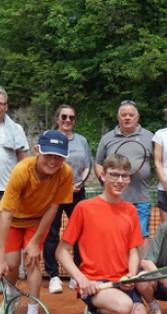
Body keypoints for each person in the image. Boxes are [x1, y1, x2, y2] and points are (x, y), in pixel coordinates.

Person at [0, 130, 73, 314]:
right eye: (48, 155)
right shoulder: (21, 171)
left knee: (33, 262)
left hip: (37, 222)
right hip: (13, 220)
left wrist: (35, 242)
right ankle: (11, 297)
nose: (53, 161)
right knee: (11, 264)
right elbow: (5, 213)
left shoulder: (65, 173)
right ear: (37, 151)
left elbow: (53, 208)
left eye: (59, 157)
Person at [56, 154, 149, 314]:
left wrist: (131, 274)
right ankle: (95, 310)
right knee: (123, 307)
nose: (119, 180)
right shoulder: (84, 208)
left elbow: (133, 250)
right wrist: (82, 280)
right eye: (114, 175)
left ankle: (117, 312)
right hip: (94, 284)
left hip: (122, 282)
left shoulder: (131, 210)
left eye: (124, 176)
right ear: (103, 176)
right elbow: (61, 251)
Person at [42, 105, 93, 294]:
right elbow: (44, 163)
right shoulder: (49, 137)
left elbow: (88, 165)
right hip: (52, 193)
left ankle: (76, 273)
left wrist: (80, 182)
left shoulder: (82, 140)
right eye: (64, 116)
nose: (68, 120)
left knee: (80, 233)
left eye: (72, 117)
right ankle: (53, 275)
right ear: (57, 118)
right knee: (51, 234)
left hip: (77, 192)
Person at [95, 100, 154, 255]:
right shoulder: (107, 138)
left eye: (131, 115)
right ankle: (115, 268)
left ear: (137, 117)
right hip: (114, 199)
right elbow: (98, 163)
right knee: (113, 233)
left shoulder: (149, 137)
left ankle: (142, 273)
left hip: (141, 197)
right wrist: (104, 178)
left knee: (142, 234)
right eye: (124, 115)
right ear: (118, 117)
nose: (127, 117)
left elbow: (159, 162)